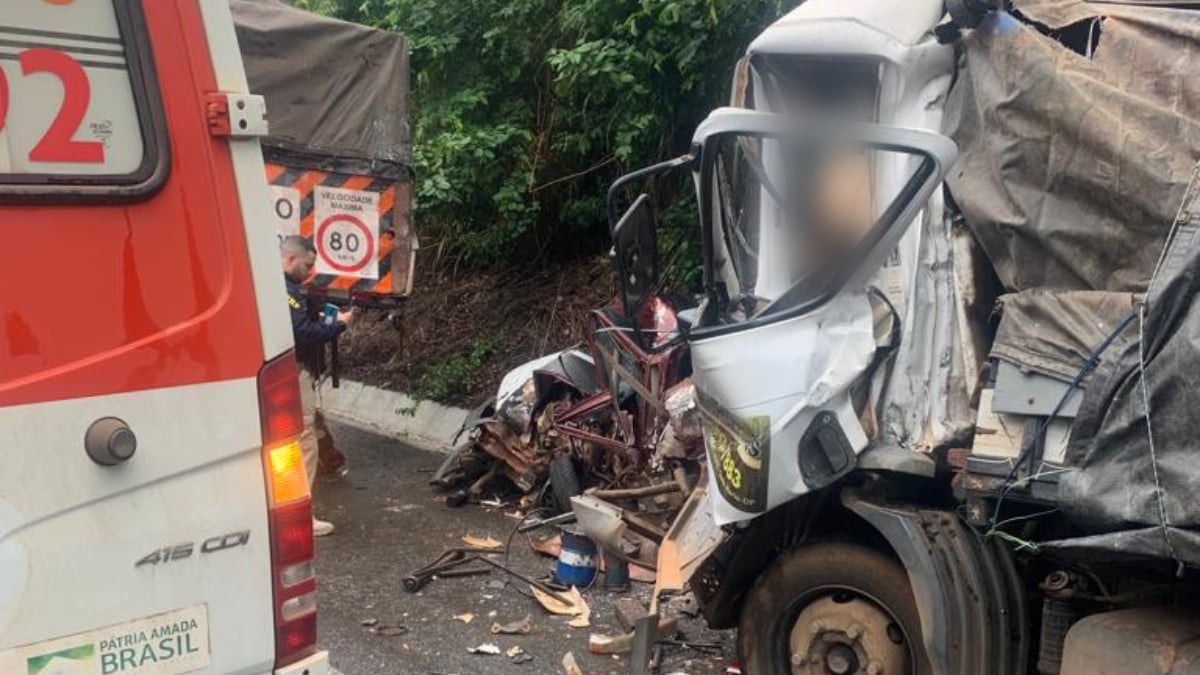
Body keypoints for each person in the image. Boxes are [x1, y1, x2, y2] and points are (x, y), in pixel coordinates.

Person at [280, 235, 351, 536]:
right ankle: (297, 517)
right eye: (307, 265)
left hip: (276, 372)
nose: (310, 271)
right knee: (303, 441)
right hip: (292, 371)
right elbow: (301, 333)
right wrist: (338, 324)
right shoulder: (286, 290)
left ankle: (279, 511)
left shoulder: (268, 283)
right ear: (290, 259)